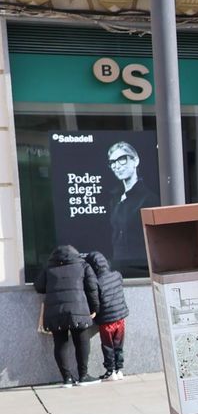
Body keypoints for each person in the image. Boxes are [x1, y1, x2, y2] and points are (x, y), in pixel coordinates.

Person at [34, 244, 101, 387]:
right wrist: (95, 307)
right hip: (79, 309)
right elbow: (92, 288)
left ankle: (67, 379)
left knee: (60, 344)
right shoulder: (83, 265)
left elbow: (39, 286)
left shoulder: (49, 268)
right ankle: (83, 376)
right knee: (82, 342)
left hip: (56, 311)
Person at [106, 141, 156, 277]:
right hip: (118, 267)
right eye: (112, 162)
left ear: (136, 161)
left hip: (141, 268)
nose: (117, 166)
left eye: (122, 159)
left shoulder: (149, 199)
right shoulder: (115, 199)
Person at [84, 251, 129, 381]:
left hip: (106, 321)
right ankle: (119, 370)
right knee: (118, 345)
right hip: (120, 318)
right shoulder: (117, 275)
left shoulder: (96, 282)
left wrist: (94, 312)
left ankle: (110, 371)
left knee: (108, 346)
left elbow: (96, 301)